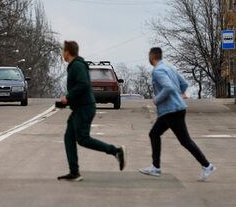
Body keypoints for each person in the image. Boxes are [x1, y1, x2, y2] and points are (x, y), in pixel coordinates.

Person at [139, 47, 216, 182]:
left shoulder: (157, 71)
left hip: (171, 111)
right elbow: (184, 84)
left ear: (151, 56)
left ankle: (207, 165)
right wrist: (177, 96)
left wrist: (157, 99)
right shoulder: (170, 68)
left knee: (185, 141)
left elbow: (168, 87)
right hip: (174, 109)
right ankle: (155, 167)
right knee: (154, 133)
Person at [56, 40, 125, 181]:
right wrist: (67, 102)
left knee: (83, 139)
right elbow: (81, 88)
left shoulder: (77, 66)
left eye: (63, 50)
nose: (63, 53)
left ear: (68, 52)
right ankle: (74, 172)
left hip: (84, 108)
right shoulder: (76, 65)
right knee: (69, 137)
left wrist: (67, 97)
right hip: (80, 108)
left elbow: (83, 84)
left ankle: (115, 151)